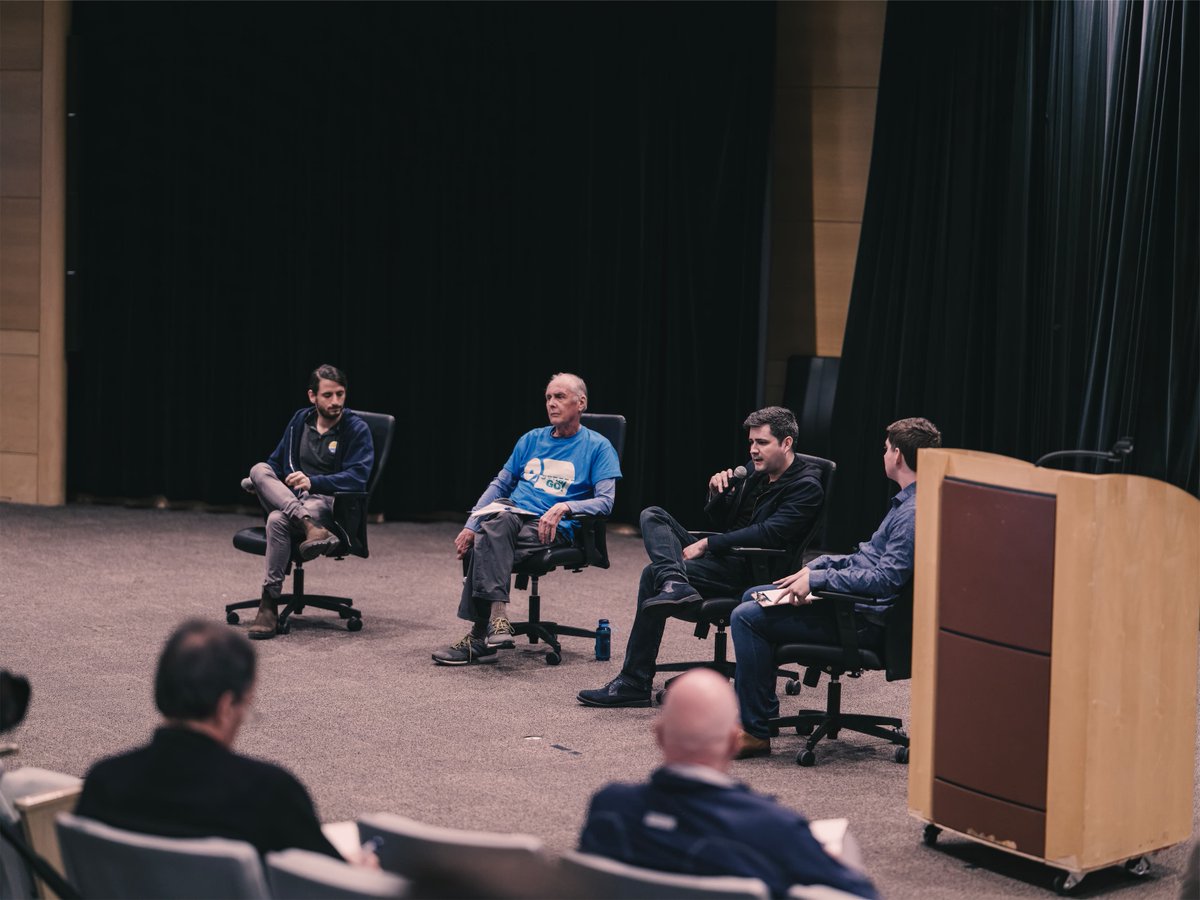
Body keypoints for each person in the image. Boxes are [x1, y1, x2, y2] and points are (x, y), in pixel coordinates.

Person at [577, 407, 824, 707]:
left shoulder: (806, 487)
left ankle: (635, 680)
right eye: (751, 443)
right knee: (653, 515)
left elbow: (769, 534)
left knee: (650, 574)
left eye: (762, 443)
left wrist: (708, 545)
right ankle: (674, 582)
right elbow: (726, 521)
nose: (753, 450)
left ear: (786, 443)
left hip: (757, 571)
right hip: (726, 558)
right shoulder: (757, 472)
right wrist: (717, 494)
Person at [76, 620, 374, 866]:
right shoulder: (268, 794)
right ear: (226, 706)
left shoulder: (104, 782)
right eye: (246, 704)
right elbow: (324, 884)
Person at [730, 417, 942, 758]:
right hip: (854, 606)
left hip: (863, 622)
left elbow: (884, 580)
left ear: (899, 456)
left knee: (746, 617)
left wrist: (818, 580)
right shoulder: (909, 503)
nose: (883, 455)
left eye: (886, 449)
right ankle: (762, 715)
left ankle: (755, 732)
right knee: (755, 596)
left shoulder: (913, 513)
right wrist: (819, 566)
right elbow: (867, 557)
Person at [577, 668, 877, 899]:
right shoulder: (773, 829)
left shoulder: (609, 809)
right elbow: (861, 893)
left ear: (658, 735)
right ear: (735, 742)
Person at [432, 373, 622, 665]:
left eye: (559, 396)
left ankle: (480, 634)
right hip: (512, 516)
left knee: (486, 537)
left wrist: (565, 507)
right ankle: (496, 621)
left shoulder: (598, 446)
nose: (551, 403)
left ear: (581, 402)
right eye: (548, 397)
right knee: (492, 525)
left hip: (552, 527)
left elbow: (606, 502)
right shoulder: (531, 439)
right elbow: (500, 484)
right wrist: (470, 524)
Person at [241, 364, 375, 639]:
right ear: (312, 396)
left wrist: (314, 482)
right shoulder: (299, 421)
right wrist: (260, 483)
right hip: (294, 499)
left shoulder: (356, 429)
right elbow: (276, 463)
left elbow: (358, 478)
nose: (336, 401)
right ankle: (307, 525)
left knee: (277, 519)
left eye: (340, 394)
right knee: (258, 470)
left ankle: (268, 604)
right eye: (328, 395)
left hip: (327, 503)